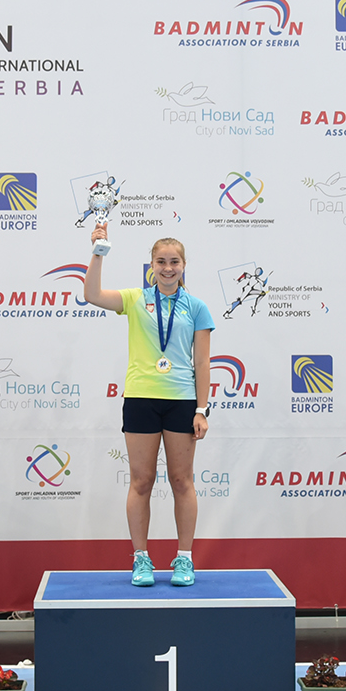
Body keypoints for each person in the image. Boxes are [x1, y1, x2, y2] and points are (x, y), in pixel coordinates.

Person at [82, 222, 214, 587]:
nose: (168, 268)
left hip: (182, 401)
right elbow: (91, 294)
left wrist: (201, 409)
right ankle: (141, 559)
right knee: (141, 481)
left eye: (174, 262)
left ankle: (184, 559)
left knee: (182, 481)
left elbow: (203, 362)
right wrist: (98, 253)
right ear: (151, 265)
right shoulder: (135, 299)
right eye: (161, 262)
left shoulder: (197, 307)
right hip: (140, 399)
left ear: (184, 265)